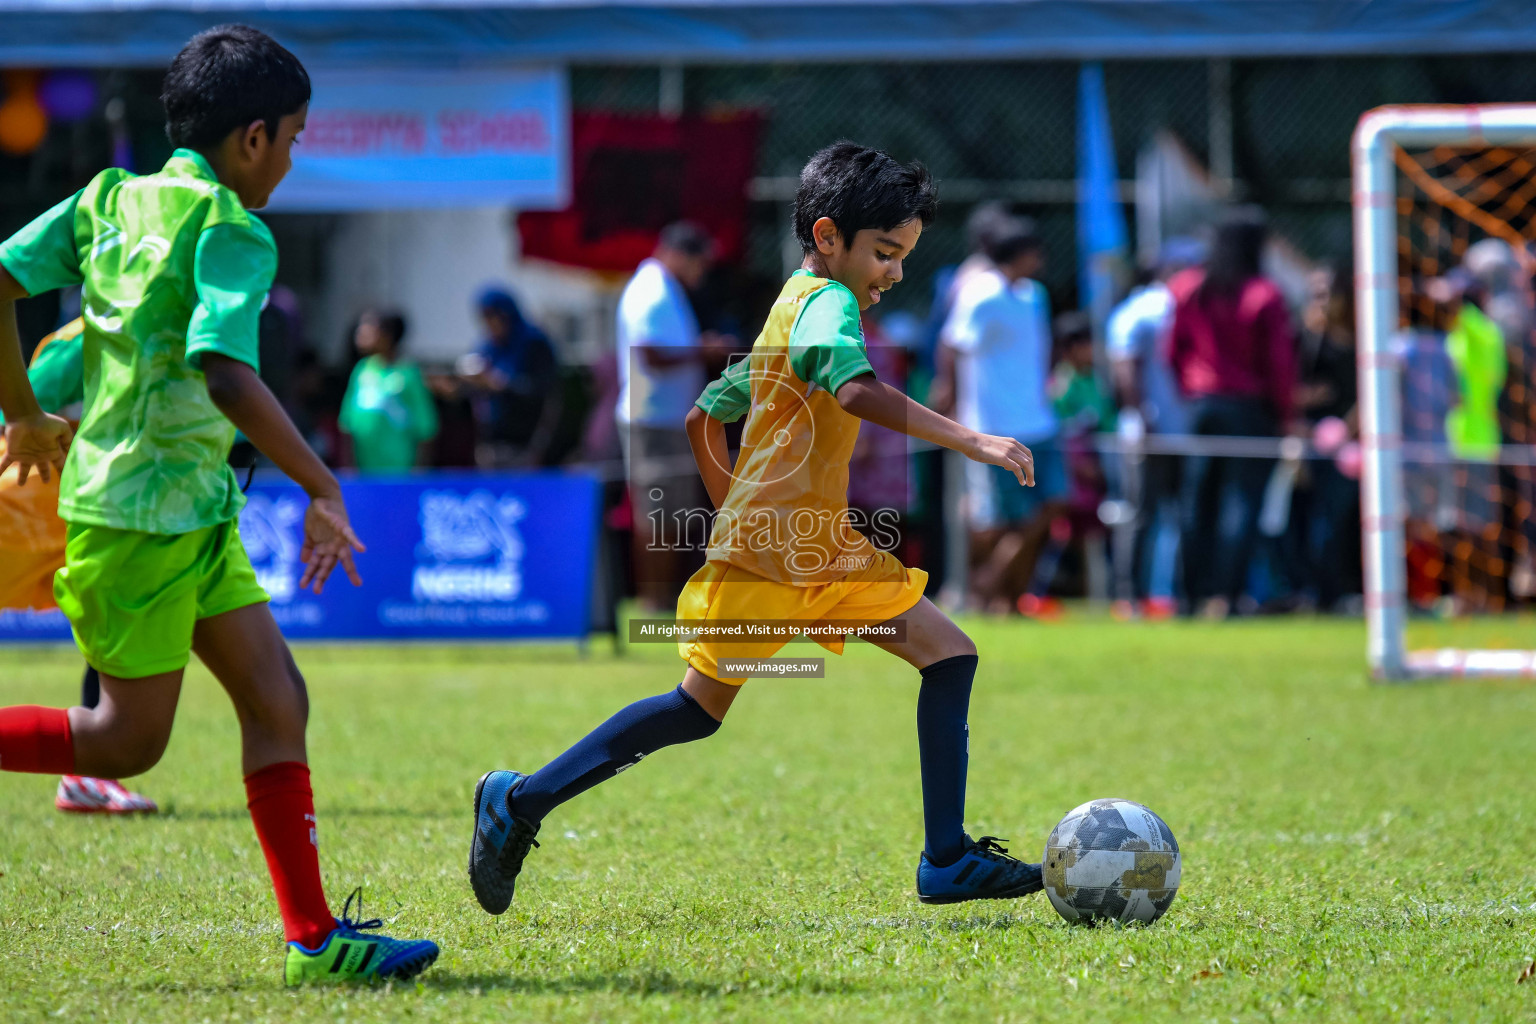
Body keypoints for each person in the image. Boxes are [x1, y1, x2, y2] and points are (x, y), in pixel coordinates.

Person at [468, 141, 1045, 914]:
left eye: (904, 256)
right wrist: (972, 438)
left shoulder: (791, 302)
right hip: (779, 556)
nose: (895, 274)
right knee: (693, 711)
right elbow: (855, 391)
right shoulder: (828, 306)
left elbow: (709, 409)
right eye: (884, 253)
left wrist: (736, 505)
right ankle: (519, 800)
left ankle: (947, 858)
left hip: (821, 547)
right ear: (830, 236)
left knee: (949, 654)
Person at [0, 26, 437, 985]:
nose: (291, 157)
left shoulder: (107, 198)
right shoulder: (233, 229)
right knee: (125, 743)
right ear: (251, 139)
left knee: (278, 697)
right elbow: (226, 374)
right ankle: (316, 939)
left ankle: (317, 945)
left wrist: (27, 413)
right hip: (145, 519)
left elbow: (3, 278)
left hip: (189, 511)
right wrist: (323, 483)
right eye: (292, 137)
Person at [0, 318, 157, 813]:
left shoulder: (162, 327)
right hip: (26, 504)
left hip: (78, 510)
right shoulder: (96, 332)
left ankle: (89, 774)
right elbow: (22, 410)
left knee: (115, 611)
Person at [1169, 207, 1297, 619]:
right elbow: (1278, 364)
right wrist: (1288, 414)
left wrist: (1190, 390)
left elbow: (1173, 352)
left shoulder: (1188, 288)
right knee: (1241, 504)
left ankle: (1188, 594)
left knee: (1196, 502)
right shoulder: (1264, 294)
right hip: (1249, 408)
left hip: (1202, 406)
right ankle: (1226, 596)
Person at [940, 215, 1067, 613]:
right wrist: (955, 404)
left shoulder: (1034, 295)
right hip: (995, 424)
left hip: (1039, 421)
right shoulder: (980, 295)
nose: (1041, 259)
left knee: (1054, 503)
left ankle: (991, 580)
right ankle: (1004, 601)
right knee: (1000, 521)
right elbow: (952, 346)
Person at [614, 221, 721, 610]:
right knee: (656, 515)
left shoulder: (665, 289)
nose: (702, 272)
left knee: (671, 516)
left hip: (666, 419)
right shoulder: (653, 291)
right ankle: (652, 602)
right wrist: (702, 351)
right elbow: (650, 354)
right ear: (678, 255)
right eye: (699, 263)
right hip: (652, 420)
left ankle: (663, 600)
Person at [1105, 238, 1204, 617]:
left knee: (1177, 515)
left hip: (1180, 429)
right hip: (1149, 431)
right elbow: (1123, 366)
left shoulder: (1181, 307)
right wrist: (1140, 413)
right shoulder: (1143, 310)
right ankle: (1127, 596)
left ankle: (1172, 596)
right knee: (1141, 515)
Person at [441, 286, 557, 467]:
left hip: (526, 443)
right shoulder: (487, 346)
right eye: (483, 317)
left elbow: (542, 390)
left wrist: (499, 384)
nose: (488, 323)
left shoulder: (534, 343)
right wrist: (456, 389)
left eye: (491, 316)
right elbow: (477, 384)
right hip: (489, 443)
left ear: (505, 314)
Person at [339, 309, 438, 473]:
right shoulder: (361, 370)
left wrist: (419, 473)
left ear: (388, 335)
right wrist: (347, 467)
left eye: (369, 327)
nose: (361, 332)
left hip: (399, 473)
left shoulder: (409, 374)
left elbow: (426, 429)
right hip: (364, 473)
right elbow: (347, 423)